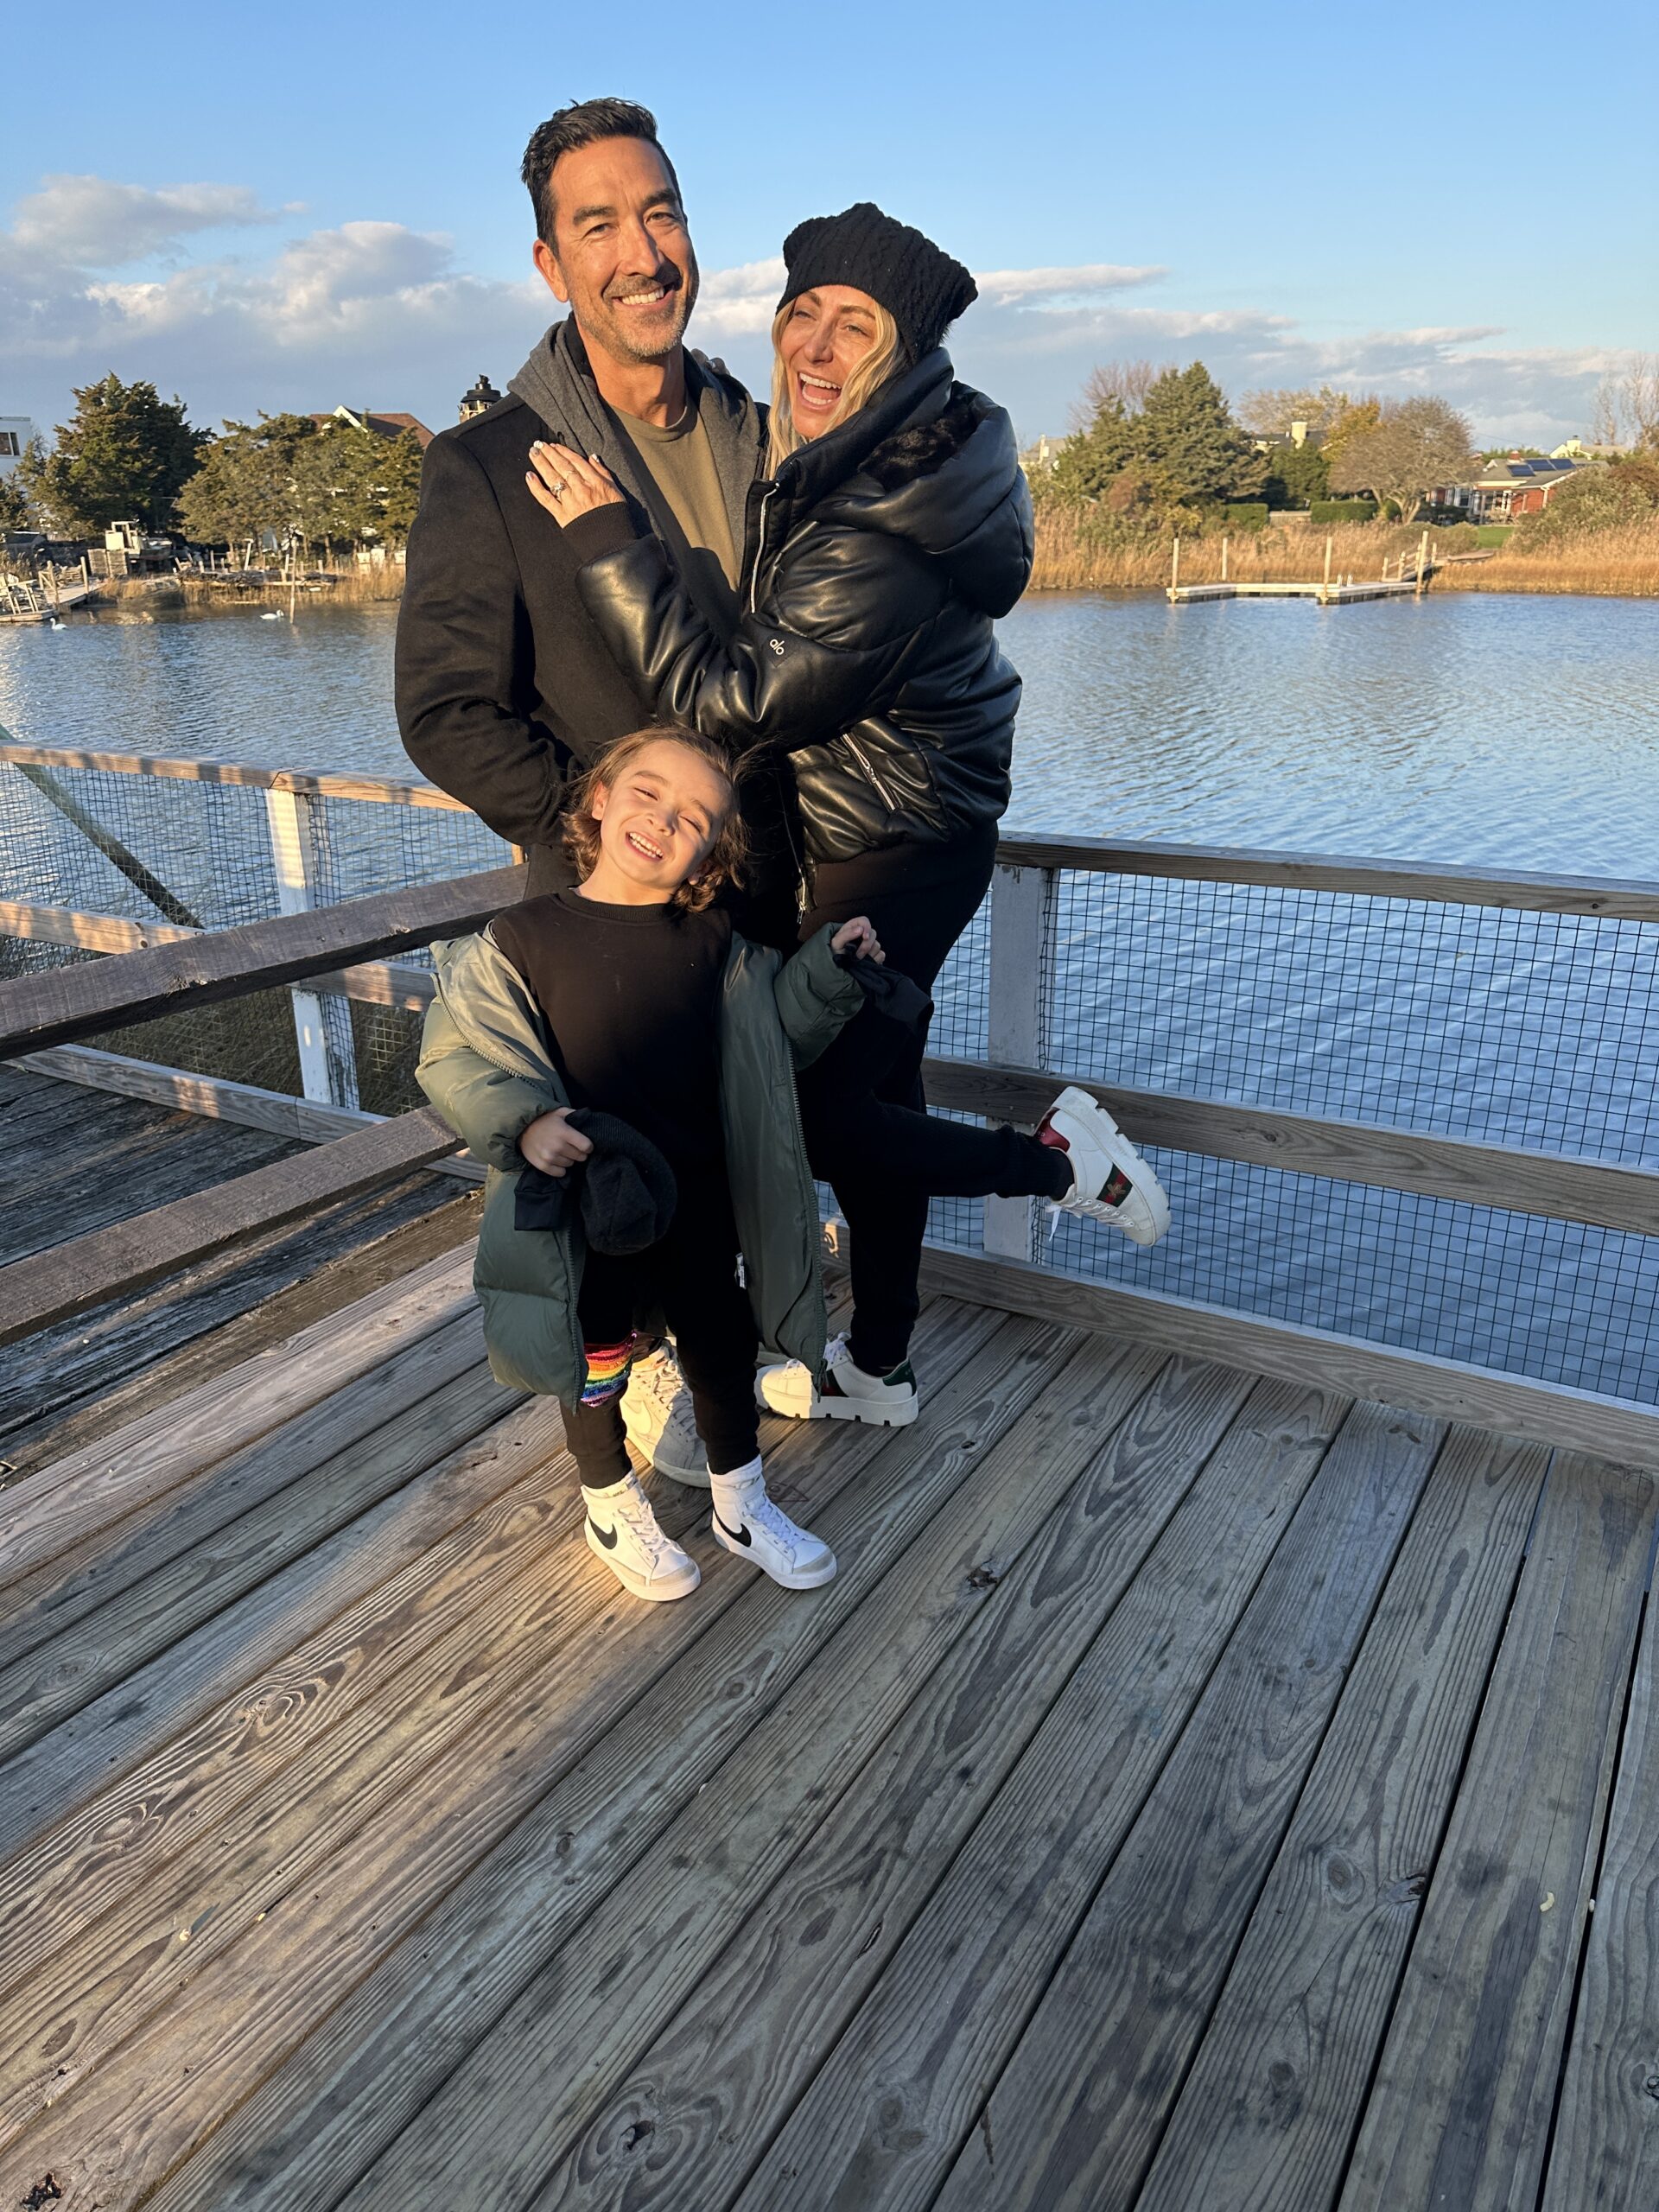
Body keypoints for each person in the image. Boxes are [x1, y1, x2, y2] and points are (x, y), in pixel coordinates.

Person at [523, 202, 1171, 1431]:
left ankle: (1060, 1165)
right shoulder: (885, 458)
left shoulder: (879, 508)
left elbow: (736, 701)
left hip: (899, 838)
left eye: (854, 328)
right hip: (897, 822)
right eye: (802, 316)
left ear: (905, 352)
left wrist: (612, 541)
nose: (815, 351)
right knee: (885, 1105)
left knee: (817, 1113)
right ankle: (879, 1357)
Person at [397, 95, 784, 1483]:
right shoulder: (487, 467)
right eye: (598, 225)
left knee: (748, 1155)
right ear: (553, 266)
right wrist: (604, 836)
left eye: (662, 211)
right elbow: (444, 709)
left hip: (766, 884)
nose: (642, 251)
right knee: (624, 1186)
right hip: (606, 923)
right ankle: (627, 1435)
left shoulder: (759, 431)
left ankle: (734, 1359)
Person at [416, 725, 874, 1602]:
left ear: (712, 850)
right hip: (585, 1209)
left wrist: (827, 972)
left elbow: (774, 1046)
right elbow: (457, 1059)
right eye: (647, 793)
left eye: (694, 817)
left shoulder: (715, 943)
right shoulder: (519, 938)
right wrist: (527, 1121)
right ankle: (609, 1499)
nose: (664, 821)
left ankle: (743, 1502)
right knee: (595, 1355)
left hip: (699, 1198)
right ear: (599, 797)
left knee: (721, 1345)